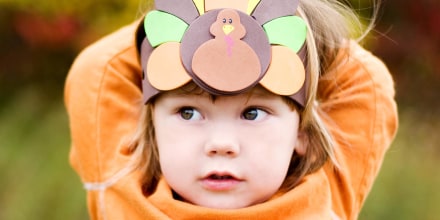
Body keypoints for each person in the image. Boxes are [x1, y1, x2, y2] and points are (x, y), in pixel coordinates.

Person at [64, 0, 398, 219]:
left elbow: (366, 80)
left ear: (303, 133)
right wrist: (193, 22)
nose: (221, 144)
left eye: (251, 113)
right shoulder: (122, 188)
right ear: (152, 126)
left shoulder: (326, 197)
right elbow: (96, 70)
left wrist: (274, 25)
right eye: (188, 112)